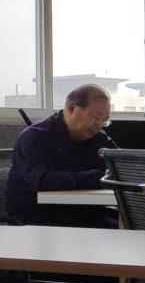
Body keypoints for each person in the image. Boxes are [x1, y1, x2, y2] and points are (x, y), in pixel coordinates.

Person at [5, 84, 118, 228]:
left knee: (131, 227)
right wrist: (99, 178)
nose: (99, 125)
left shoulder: (98, 138)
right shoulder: (35, 137)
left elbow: (120, 163)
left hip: (82, 212)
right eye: (96, 118)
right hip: (37, 218)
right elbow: (42, 180)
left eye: (105, 121)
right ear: (71, 108)